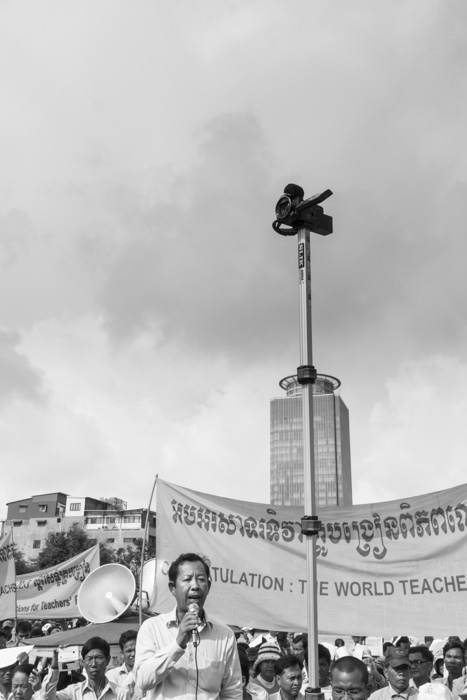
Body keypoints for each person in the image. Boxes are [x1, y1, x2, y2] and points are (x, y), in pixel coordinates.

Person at [134, 552, 242, 699]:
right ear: (173, 588)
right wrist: (178, 644)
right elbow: (143, 680)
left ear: (208, 587)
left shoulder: (225, 635)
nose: (195, 586)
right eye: (187, 579)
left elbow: (232, 691)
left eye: (201, 580)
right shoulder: (152, 628)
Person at [44, 636, 130, 700]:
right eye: (89, 659)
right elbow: (49, 698)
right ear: (83, 663)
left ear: (107, 660)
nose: (93, 664)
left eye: (98, 658)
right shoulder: (74, 692)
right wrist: (54, 668)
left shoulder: (120, 694)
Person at [107, 631, 142, 699]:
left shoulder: (148, 673)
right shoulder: (112, 675)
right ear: (122, 654)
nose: (133, 654)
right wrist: (132, 673)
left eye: (136, 650)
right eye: (129, 651)